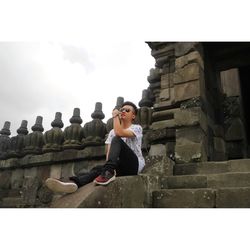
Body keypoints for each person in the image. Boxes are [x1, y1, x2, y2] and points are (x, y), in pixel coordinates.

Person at [45, 101, 145, 194]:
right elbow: (109, 154)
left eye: (127, 110)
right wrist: (107, 168)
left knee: (116, 139)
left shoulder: (136, 128)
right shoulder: (112, 132)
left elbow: (119, 133)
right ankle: (74, 183)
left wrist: (115, 117)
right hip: (119, 167)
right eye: (122, 110)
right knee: (97, 169)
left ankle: (108, 172)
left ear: (133, 115)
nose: (123, 111)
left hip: (133, 165)